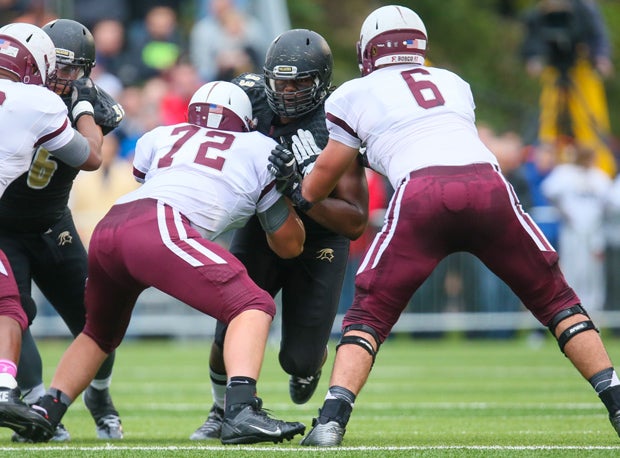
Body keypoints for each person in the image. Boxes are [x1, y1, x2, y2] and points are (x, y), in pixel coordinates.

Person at [268, 5, 620, 446]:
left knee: (368, 314)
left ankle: (331, 421)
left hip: (423, 191)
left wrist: (294, 186)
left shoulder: (352, 94)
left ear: (368, 51)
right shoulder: (454, 83)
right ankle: (616, 400)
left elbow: (320, 183)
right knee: (556, 300)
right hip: (488, 184)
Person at [12, 80, 308, 445]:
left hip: (114, 224)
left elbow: (148, 177)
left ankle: (47, 411)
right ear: (246, 120)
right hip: (160, 225)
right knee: (253, 305)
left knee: (98, 333)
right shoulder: (261, 148)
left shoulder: (161, 135)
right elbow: (289, 246)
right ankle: (241, 410)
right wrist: (291, 190)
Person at [189, 28, 368, 441]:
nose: (287, 91)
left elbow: (356, 220)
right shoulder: (249, 99)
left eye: (300, 82)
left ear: (320, 83)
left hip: (321, 239)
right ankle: (221, 410)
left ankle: (310, 366)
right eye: (280, 80)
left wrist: (299, 194)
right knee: (228, 325)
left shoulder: (335, 122)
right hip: (263, 224)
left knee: (298, 360)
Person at [0, 18, 125, 442]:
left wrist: (84, 106)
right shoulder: (25, 98)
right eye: (56, 67)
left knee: (96, 320)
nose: (60, 78)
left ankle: (100, 396)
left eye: (72, 70)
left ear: (86, 71)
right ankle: (35, 404)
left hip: (54, 225)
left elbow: (95, 155)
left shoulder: (87, 101)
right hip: (5, 228)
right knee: (12, 314)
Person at [521, 0, 616, 177]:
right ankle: (545, 169)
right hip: (554, 71)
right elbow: (532, 41)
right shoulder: (538, 13)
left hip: (582, 69)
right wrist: (534, 58)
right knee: (548, 120)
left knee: (589, 120)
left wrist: (600, 57)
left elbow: (597, 36)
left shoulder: (585, 9)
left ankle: (601, 170)